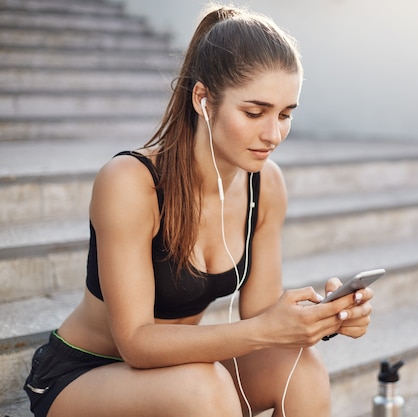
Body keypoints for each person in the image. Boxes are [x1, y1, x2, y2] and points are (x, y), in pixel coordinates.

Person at [23, 4, 374, 417]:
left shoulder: (266, 184)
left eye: (285, 114)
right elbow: (135, 342)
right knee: (202, 386)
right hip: (84, 375)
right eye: (254, 112)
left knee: (301, 369)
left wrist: (322, 318)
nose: (273, 133)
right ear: (203, 99)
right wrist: (264, 330)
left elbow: (259, 316)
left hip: (181, 372)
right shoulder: (131, 183)